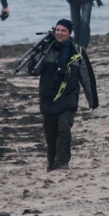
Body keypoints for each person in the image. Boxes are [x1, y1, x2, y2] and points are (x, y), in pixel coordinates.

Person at [28, 19, 98, 171]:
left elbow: (87, 77)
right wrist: (37, 52)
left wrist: (92, 101)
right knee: (50, 132)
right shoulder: (46, 49)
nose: (59, 33)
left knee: (64, 129)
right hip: (48, 96)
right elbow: (33, 71)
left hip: (68, 96)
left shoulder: (78, 52)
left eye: (63, 30)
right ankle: (52, 162)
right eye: (58, 30)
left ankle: (62, 162)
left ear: (69, 33)